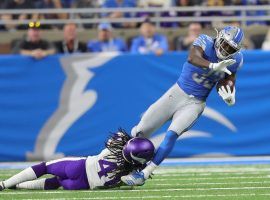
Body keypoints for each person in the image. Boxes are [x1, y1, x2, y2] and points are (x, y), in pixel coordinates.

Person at [121, 26, 244, 185]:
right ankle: (121, 163)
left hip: (195, 103)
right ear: (219, 37)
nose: (226, 50)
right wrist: (212, 65)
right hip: (177, 93)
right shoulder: (205, 41)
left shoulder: (237, 59)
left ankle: (144, 174)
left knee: (172, 134)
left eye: (231, 48)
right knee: (140, 130)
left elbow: (227, 79)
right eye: (225, 44)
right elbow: (193, 57)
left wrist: (229, 94)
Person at [0, 130, 155, 190]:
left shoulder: (115, 146)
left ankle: (5, 184)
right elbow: (128, 186)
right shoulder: (132, 173)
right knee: (56, 183)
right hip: (81, 185)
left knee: (44, 167)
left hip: (78, 166)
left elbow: (116, 138)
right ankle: (18, 186)